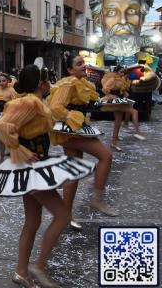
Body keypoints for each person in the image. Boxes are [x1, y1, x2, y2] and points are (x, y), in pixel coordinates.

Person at [0, 64, 95, 288]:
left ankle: (21, 271)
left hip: (34, 165)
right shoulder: (28, 102)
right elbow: (2, 125)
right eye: (47, 80)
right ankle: (39, 265)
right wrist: (20, 150)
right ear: (39, 83)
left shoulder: (37, 101)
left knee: (33, 222)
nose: (50, 83)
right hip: (31, 166)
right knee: (63, 216)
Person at [48, 53, 117, 231]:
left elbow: (88, 104)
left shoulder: (82, 83)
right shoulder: (68, 83)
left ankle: (65, 216)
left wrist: (104, 101)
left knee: (74, 172)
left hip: (78, 130)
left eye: (83, 62)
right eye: (79, 64)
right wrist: (72, 117)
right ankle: (97, 199)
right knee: (106, 156)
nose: (83, 65)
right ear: (70, 69)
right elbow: (55, 107)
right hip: (70, 132)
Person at [99, 66, 145, 151]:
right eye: (121, 72)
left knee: (118, 123)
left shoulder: (121, 79)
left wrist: (124, 94)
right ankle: (137, 132)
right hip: (113, 100)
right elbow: (104, 89)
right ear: (116, 72)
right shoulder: (112, 79)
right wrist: (113, 96)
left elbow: (122, 90)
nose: (122, 74)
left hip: (119, 100)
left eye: (123, 72)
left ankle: (113, 143)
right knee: (134, 111)